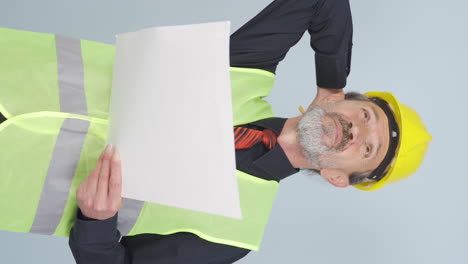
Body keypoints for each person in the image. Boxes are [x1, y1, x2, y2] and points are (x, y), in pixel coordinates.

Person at [0, 0, 429, 263]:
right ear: (345, 101)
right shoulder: (240, 71)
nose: (357, 131)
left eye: (368, 150)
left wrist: (97, 222)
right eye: (367, 115)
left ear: (339, 178)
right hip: (11, 69)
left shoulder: (232, 235)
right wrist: (330, 82)